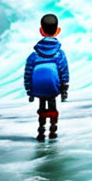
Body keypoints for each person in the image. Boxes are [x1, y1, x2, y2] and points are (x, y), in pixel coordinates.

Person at [23, 13, 70, 141]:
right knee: (52, 103)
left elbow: (28, 73)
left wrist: (30, 92)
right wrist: (64, 88)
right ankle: (53, 129)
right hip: (53, 87)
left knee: (42, 104)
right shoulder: (59, 54)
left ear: (41, 31)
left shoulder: (34, 55)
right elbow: (63, 71)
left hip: (38, 88)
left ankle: (41, 130)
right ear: (58, 31)